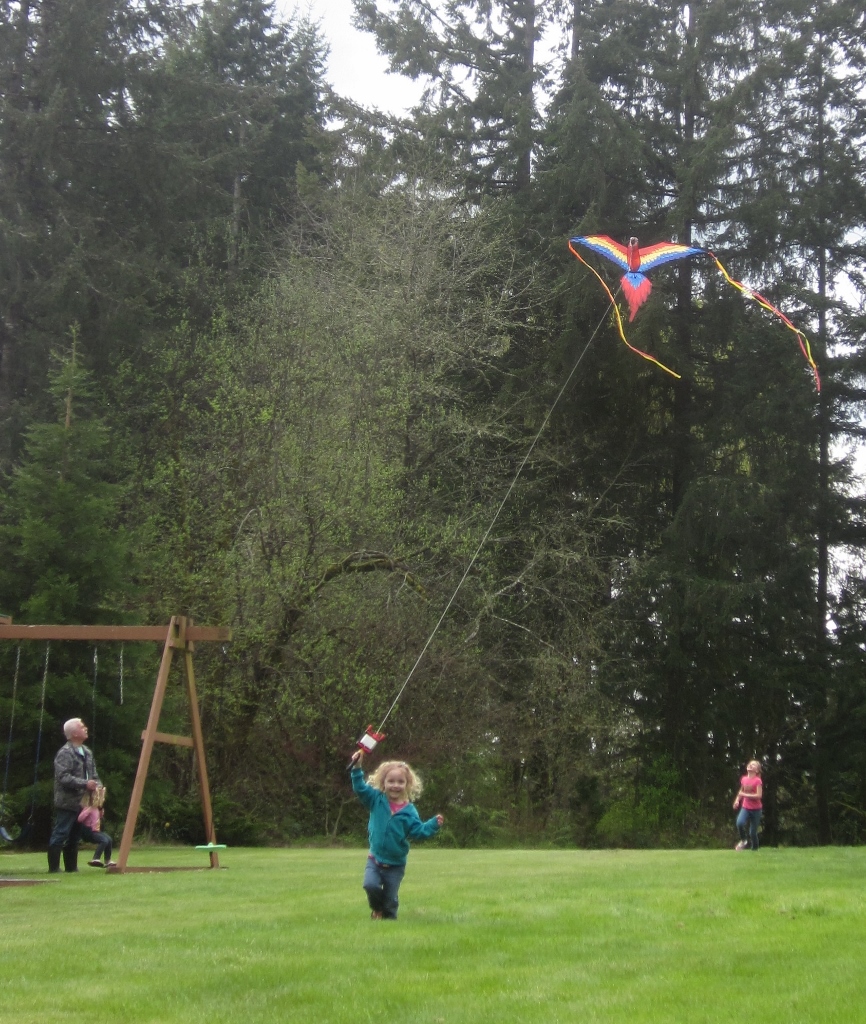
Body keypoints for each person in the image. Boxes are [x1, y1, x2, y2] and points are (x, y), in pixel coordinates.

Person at [349, 750, 443, 919]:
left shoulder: (409, 811)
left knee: (391, 899)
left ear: (407, 785)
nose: (395, 785)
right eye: (391, 781)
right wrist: (357, 767)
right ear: (383, 783)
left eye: (400, 782)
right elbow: (360, 788)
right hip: (375, 859)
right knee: (370, 885)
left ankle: (390, 922)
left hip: (396, 864)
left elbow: (418, 832)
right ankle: (377, 910)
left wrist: (432, 825)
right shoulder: (376, 800)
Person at [47, 719, 101, 873]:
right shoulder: (65, 753)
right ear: (74, 733)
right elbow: (63, 777)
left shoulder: (87, 752)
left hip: (83, 803)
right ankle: (54, 868)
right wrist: (85, 783)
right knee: (61, 833)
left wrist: (97, 788)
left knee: (75, 836)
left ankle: (71, 868)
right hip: (67, 802)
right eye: (82, 726)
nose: (86, 728)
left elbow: (94, 775)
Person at [77, 786, 116, 868]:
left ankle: (107, 860)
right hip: (89, 831)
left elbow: (97, 819)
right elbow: (80, 819)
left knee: (109, 839)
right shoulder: (88, 808)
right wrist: (89, 810)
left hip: (96, 830)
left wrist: (101, 813)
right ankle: (96, 858)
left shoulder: (97, 809)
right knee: (104, 840)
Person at [733, 759, 763, 851]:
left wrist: (745, 795)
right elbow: (741, 791)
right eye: (750, 764)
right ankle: (743, 840)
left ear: (757, 770)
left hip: (756, 809)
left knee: (752, 832)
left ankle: (755, 849)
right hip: (745, 807)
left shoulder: (758, 781)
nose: (750, 765)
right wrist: (737, 800)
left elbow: (759, 795)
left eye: (753, 765)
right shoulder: (744, 779)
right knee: (739, 823)